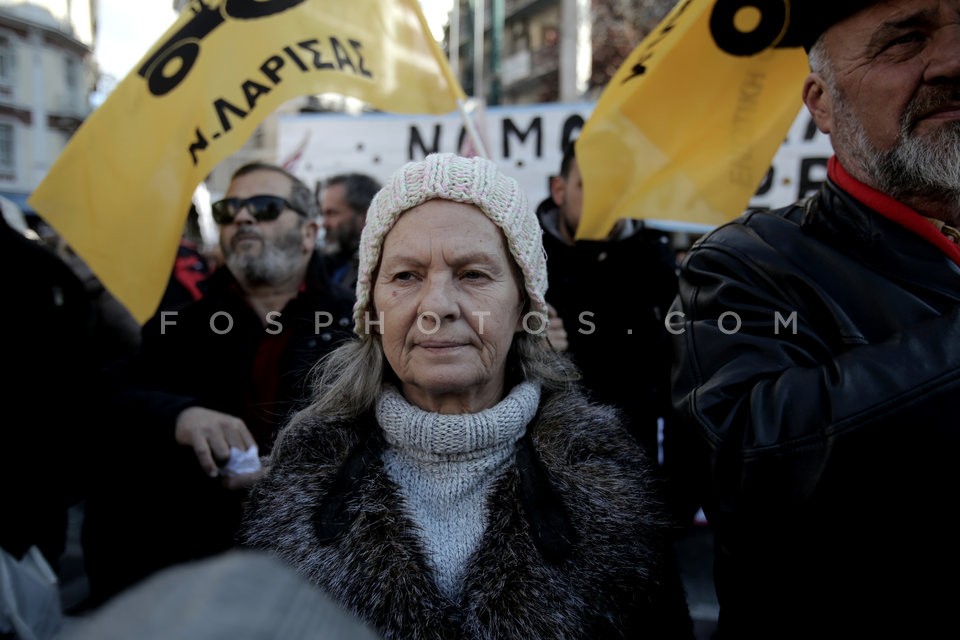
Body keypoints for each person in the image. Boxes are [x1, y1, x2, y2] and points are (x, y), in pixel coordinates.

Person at [241, 153, 693, 639]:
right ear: (370, 305)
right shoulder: (302, 479)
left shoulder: (609, 483)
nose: (436, 307)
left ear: (524, 303)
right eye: (406, 276)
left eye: (474, 274)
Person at [669, 1, 960, 636]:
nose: (953, 59)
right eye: (906, 40)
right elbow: (750, 470)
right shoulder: (744, 264)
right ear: (821, 103)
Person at [82, 161, 355, 605]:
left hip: (320, 579)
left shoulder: (359, 324)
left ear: (309, 234)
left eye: (265, 207)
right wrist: (180, 416)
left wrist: (306, 470)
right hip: (194, 577)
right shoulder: (178, 322)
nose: (243, 218)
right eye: (230, 210)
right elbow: (105, 398)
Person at [536, 140, 685, 518]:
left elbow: (681, 385)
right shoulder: (524, 264)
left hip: (637, 484)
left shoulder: (655, 263)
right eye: (591, 186)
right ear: (559, 190)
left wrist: (677, 497)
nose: (606, 200)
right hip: (546, 487)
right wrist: (526, 348)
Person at [0, 211, 98, 638]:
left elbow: (79, 388)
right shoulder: (52, 272)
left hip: (27, 511)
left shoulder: (46, 274)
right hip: (38, 506)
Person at [319, 172, 381, 291]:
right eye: (323, 214)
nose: (324, 223)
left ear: (365, 215)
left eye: (331, 213)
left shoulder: (379, 274)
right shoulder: (330, 266)